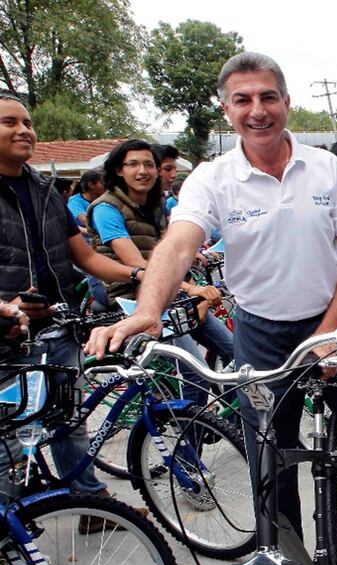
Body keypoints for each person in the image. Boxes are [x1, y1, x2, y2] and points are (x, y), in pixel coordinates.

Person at [84, 53, 337, 565]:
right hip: (260, 335)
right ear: (226, 109)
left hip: (336, 321)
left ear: (286, 102)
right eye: (243, 100)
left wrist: (328, 333)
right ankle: (285, 556)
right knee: (268, 452)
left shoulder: (324, 168)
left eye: (268, 97)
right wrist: (150, 309)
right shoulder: (213, 178)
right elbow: (180, 244)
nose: (258, 110)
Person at [0, 89, 150, 565]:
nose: (23, 130)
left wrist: (139, 273)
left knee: (67, 420)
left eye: (27, 122)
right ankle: (7, 552)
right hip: (6, 336)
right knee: (8, 448)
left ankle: (87, 501)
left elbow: (83, 255)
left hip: (58, 323)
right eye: (9, 123)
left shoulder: (44, 190)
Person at [85, 138, 234, 406]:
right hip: (133, 299)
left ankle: (237, 426)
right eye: (133, 164)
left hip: (171, 295)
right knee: (194, 373)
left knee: (235, 353)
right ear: (119, 170)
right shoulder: (106, 209)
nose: (143, 171)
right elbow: (137, 263)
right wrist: (192, 289)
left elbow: (172, 255)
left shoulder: (155, 206)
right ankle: (189, 444)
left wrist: (192, 282)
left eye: (149, 164)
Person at [67, 168, 105, 235]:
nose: (108, 186)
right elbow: (85, 221)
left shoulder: (105, 198)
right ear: (91, 185)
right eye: (103, 183)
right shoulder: (75, 201)